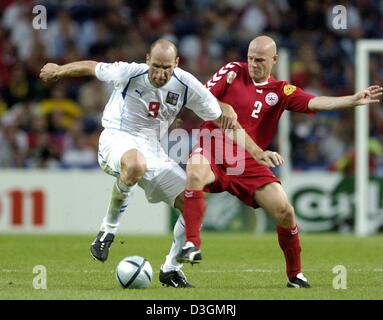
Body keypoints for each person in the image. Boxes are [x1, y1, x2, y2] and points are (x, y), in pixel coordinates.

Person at [39, 39, 282, 288]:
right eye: (155, 65)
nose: (160, 73)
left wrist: (257, 152)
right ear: (147, 60)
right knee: (134, 164)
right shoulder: (130, 72)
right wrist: (58, 70)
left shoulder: (187, 85)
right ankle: (107, 231)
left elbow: (225, 122)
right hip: (117, 136)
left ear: (176, 64)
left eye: (166, 67)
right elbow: (93, 67)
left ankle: (170, 269)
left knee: (192, 203)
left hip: (153, 150)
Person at [175, 35, 383, 288]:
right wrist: (222, 106)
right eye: (250, 58)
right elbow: (202, 97)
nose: (253, 64)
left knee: (285, 211)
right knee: (195, 175)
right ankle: (192, 244)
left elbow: (314, 102)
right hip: (214, 146)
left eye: (260, 60)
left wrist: (351, 99)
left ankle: (295, 275)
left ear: (274, 60)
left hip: (249, 160)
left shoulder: (280, 91)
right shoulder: (232, 70)